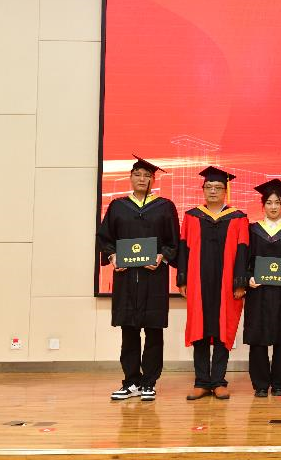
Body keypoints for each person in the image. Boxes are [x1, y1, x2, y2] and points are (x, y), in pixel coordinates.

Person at [98, 156, 180, 402]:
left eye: (147, 176)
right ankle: (131, 381)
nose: (142, 179)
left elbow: (173, 241)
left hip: (154, 279)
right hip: (126, 279)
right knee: (129, 332)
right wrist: (112, 256)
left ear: (153, 180)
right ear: (131, 178)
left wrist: (162, 256)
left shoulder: (165, 206)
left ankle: (149, 383)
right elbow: (105, 238)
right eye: (138, 175)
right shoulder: (118, 206)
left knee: (154, 332)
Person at [177, 166, 248, 400]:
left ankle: (218, 381)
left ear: (226, 191)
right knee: (199, 328)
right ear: (203, 190)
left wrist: (240, 282)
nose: (213, 191)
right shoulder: (191, 217)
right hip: (198, 282)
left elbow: (243, 251)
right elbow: (184, 249)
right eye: (209, 187)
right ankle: (201, 381)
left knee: (222, 330)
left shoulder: (238, 218)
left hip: (226, 283)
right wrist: (182, 279)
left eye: (218, 187)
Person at [244, 179, 281, 398]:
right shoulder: (252, 230)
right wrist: (248, 278)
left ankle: (279, 383)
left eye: (277, 202)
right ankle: (260, 384)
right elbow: (244, 260)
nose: (273, 207)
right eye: (269, 202)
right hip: (258, 292)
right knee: (257, 337)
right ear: (263, 205)